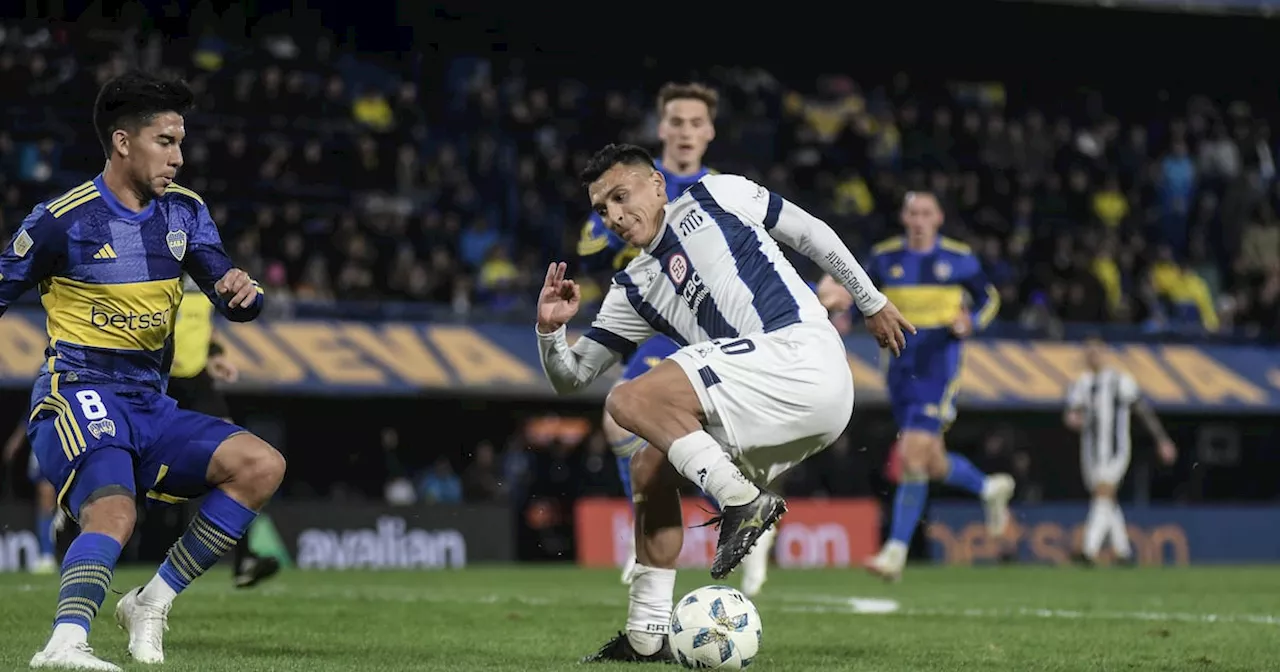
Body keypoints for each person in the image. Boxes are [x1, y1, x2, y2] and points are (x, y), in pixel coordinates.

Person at [536, 143, 912, 663]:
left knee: (629, 398)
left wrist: (869, 300)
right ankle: (646, 637)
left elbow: (810, 233)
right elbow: (571, 378)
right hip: (779, 403)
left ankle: (741, 499)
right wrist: (551, 332)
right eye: (602, 209)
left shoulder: (715, 194)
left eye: (622, 197)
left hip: (802, 356)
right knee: (649, 465)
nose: (615, 217)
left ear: (658, 186)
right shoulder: (633, 289)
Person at [1, 71, 285, 671]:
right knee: (116, 507)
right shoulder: (61, 220)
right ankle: (65, 642)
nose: (178, 158)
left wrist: (244, 293)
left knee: (261, 465)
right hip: (77, 391)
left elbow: (231, 289)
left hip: (150, 403)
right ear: (123, 142)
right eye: (165, 141)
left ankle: (150, 601)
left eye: (181, 142)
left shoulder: (185, 213)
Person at [578, 82, 778, 596]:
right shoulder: (624, 189)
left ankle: (745, 516)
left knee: (720, 440)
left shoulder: (721, 189)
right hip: (655, 330)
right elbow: (596, 256)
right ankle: (651, 531)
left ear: (709, 132)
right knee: (620, 425)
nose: (686, 131)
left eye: (695, 123)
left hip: (710, 326)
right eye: (676, 121)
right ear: (661, 127)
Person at [841, 192, 1015, 583]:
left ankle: (895, 551)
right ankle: (989, 488)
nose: (918, 220)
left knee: (912, 454)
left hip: (939, 363)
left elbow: (989, 298)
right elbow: (860, 301)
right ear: (904, 217)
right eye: (912, 213)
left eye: (926, 214)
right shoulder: (884, 257)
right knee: (930, 461)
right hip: (899, 365)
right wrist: (842, 318)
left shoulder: (959, 258)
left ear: (937, 218)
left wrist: (971, 322)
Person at [167, 273, 280, 588]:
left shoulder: (206, 267)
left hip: (196, 378)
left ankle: (245, 557)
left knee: (238, 458)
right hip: (162, 378)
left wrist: (214, 355)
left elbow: (204, 324)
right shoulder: (160, 258)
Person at [1064, 337, 1176, 565]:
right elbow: (1073, 412)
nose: (1091, 356)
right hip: (1090, 453)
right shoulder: (1082, 383)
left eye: (1096, 351)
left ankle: (1088, 548)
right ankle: (1123, 551)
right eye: (1088, 352)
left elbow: (1142, 410)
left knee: (1102, 493)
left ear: (1104, 354)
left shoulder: (1119, 380)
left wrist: (1162, 440)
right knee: (1106, 500)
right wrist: (1072, 418)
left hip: (1116, 450)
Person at [2, 421, 60, 573]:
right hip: (46, 440)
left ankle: (87, 553)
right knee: (46, 497)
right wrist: (16, 441)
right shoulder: (39, 398)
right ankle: (47, 554)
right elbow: (29, 416)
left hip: (70, 438)